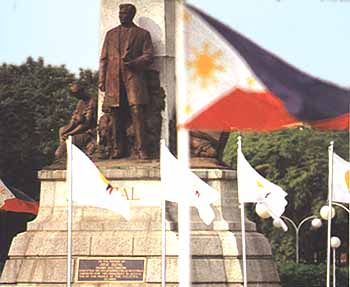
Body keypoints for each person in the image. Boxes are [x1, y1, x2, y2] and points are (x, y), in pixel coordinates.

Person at [99, 3, 153, 160]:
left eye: (124, 13)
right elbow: (103, 59)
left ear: (132, 15)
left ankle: (142, 149)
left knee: (137, 112)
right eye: (120, 13)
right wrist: (101, 79)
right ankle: (117, 148)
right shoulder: (110, 34)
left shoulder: (142, 34)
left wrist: (133, 63)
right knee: (115, 115)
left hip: (133, 79)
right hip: (113, 80)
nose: (121, 15)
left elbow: (148, 56)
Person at [55, 82, 97, 159]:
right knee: (61, 130)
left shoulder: (92, 101)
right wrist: (66, 131)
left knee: (59, 153)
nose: (76, 97)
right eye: (74, 95)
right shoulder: (81, 102)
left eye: (77, 94)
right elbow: (74, 120)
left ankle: (64, 152)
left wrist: (69, 133)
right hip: (78, 128)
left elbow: (86, 124)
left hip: (87, 132)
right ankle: (65, 152)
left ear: (82, 91)